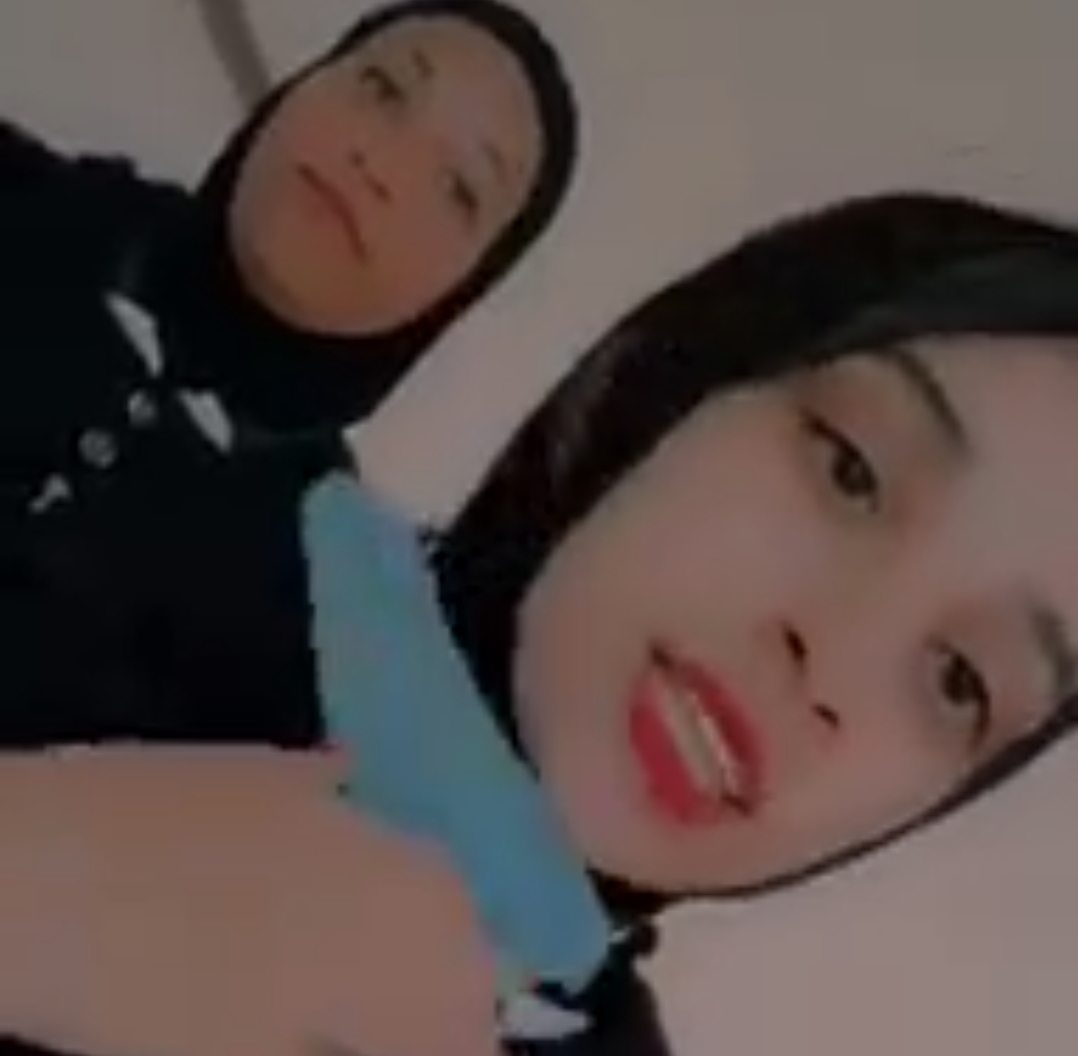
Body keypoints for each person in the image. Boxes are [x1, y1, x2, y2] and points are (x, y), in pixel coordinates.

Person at [10, 187, 1078, 1056]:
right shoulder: (146, 516)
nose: (833, 659)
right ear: (654, 376)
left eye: (960, 682)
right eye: (852, 471)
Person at [0, 0, 578, 522]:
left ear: (459, 294)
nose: (380, 168)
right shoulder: (28, 202)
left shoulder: (319, 581)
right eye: (384, 88)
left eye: (459, 189)